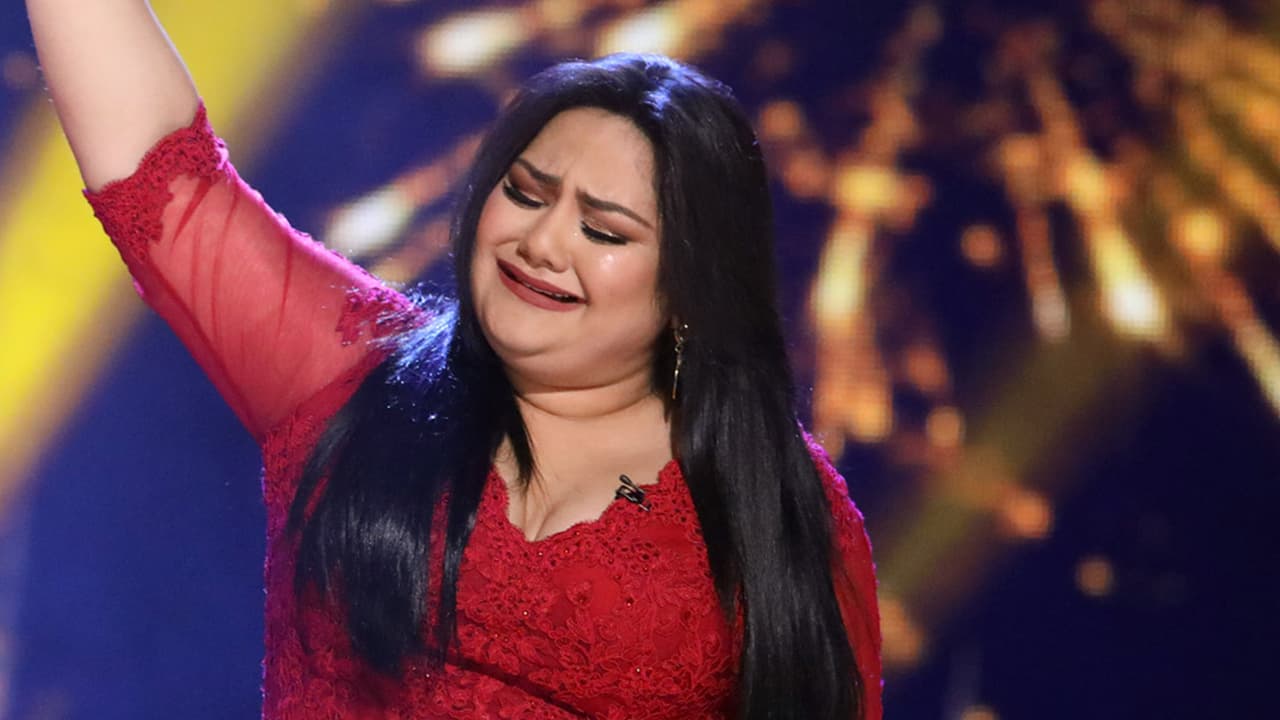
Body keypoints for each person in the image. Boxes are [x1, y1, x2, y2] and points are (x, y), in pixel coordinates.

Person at [26, 1, 882, 718]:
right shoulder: (356, 376)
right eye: (526, 193)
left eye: (603, 230)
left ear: (692, 284)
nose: (542, 242)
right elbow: (161, 178)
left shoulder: (773, 503)